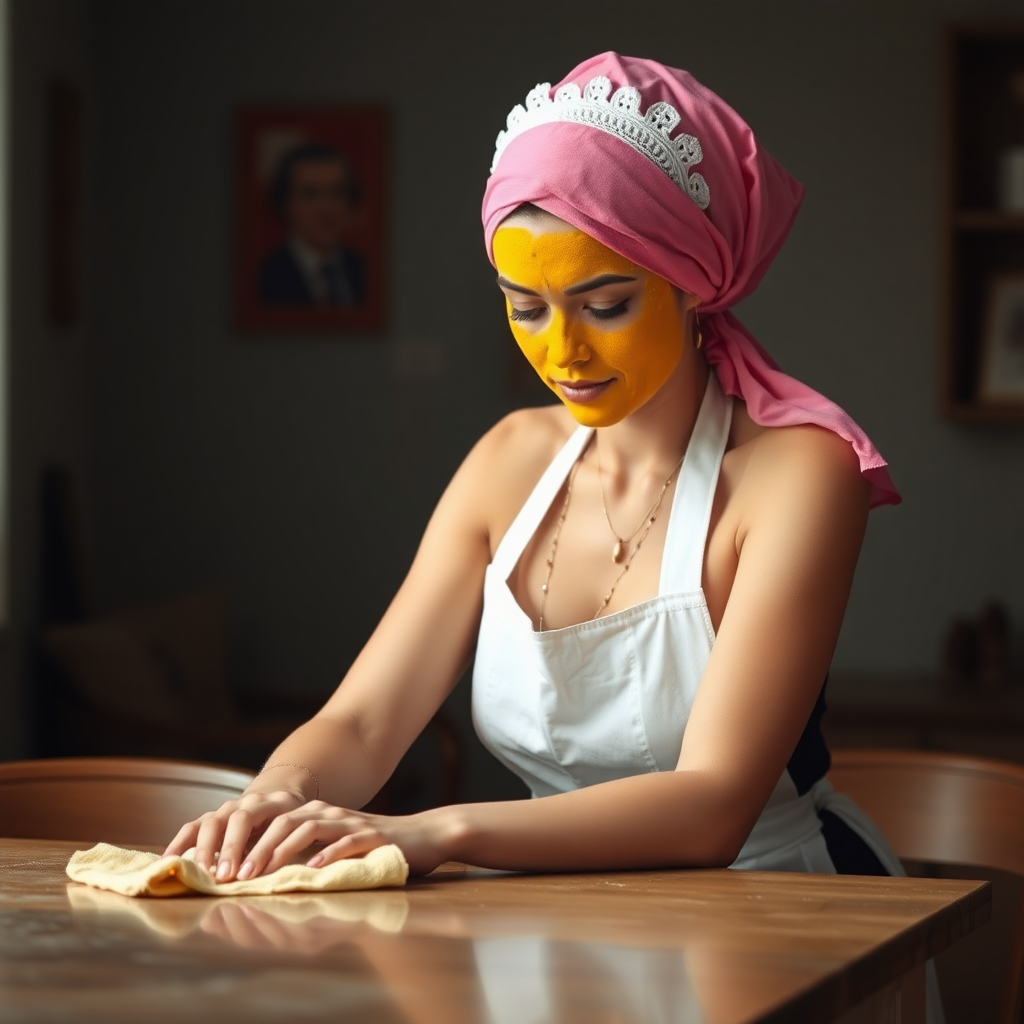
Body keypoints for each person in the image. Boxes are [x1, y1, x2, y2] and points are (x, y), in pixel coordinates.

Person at [170, 47, 918, 961]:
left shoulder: (800, 475)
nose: (562, 349)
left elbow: (714, 806)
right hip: (542, 929)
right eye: (524, 306)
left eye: (604, 303)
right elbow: (363, 723)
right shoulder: (508, 461)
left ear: (693, 282)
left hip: (772, 920)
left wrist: (434, 833)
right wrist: (273, 797)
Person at [258, 141, 365, 306]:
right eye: (310, 195)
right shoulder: (263, 277)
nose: (326, 209)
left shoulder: (365, 271)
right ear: (285, 204)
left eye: (336, 193)